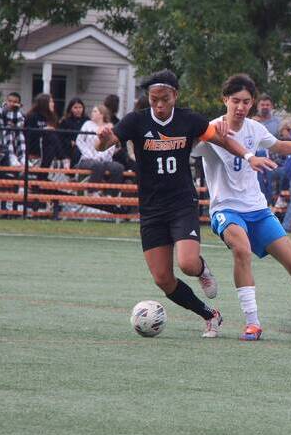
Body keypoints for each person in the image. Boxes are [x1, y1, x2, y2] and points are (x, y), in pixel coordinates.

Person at [95, 69, 277, 338]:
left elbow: (223, 139)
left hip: (181, 202)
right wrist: (103, 138)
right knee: (163, 279)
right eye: (154, 99)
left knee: (188, 264)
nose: (158, 105)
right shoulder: (136, 121)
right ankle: (210, 315)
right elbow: (106, 144)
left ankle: (203, 270)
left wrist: (249, 156)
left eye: (164, 99)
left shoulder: (188, 120)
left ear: (175, 96)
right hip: (151, 209)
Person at [193, 74, 291, 340]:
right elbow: (190, 146)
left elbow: (281, 146)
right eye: (235, 101)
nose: (240, 107)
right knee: (242, 249)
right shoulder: (212, 129)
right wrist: (201, 137)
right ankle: (252, 322)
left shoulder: (254, 128)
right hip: (226, 209)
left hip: (258, 210)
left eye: (246, 102)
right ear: (225, 100)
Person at [76, 104, 125, 188]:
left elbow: (111, 146)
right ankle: (92, 192)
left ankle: (111, 195)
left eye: (95, 111)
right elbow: (79, 141)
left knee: (118, 168)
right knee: (98, 165)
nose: (92, 113)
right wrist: (91, 155)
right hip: (87, 159)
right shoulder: (87, 124)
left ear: (102, 114)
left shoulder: (109, 126)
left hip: (104, 159)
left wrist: (100, 156)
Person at [25, 94, 68, 168]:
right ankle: (63, 158)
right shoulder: (32, 116)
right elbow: (28, 133)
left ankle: (42, 177)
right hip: (34, 144)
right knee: (50, 134)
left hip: (47, 145)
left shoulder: (52, 117)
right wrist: (43, 130)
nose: (53, 104)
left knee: (51, 147)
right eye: (51, 102)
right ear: (44, 103)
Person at [0, 92, 26, 167]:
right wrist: (3, 127)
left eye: (14, 102)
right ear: (6, 101)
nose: (11, 103)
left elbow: (21, 126)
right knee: (7, 129)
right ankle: (11, 157)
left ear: (18, 104)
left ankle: (22, 157)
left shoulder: (19, 114)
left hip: (12, 143)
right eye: (10, 101)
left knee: (18, 131)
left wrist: (14, 126)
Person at [58, 97, 88, 166]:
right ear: (70, 109)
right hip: (68, 147)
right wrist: (70, 142)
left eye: (80, 107)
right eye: (75, 107)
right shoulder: (65, 121)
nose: (78, 110)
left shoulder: (87, 120)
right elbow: (60, 136)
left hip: (84, 146)